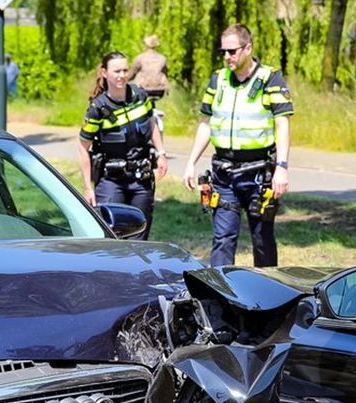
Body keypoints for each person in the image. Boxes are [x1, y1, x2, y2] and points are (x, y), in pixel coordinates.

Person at [182, 24, 292, 267]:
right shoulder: (218, 79)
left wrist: (282, 167)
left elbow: (282, 124)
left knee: (262, 240)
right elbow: (206, 124)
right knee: (222, 240)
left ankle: (268, 295)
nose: (227, 57)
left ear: (248, 48)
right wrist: (191, 162)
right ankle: (220, 297)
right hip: (224, 174)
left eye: (232, 51)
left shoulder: (270, 79)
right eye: (223, 52)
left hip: (258, 174)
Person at [77, 51, 166, 241]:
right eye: (116, 71)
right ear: (104, 73)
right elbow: (83, 147)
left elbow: (152, 123)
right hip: (111, 182)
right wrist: (87, 188)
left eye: (125, 70)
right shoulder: (98, 108)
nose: (122, 75)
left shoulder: (140, 96)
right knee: (111, 238)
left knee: (140, 239)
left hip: (141, 180)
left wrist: (161, 153)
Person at [130, 35, 169, 133]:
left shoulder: (139, 58)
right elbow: (165, 73)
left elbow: (132, 73)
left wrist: (125, 80)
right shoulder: (163, 58)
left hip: (144, 89)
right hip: (160, 91)